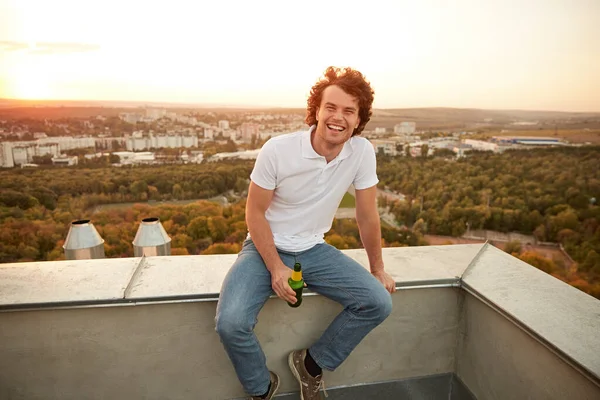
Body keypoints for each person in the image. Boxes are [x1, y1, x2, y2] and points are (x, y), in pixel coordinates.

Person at [215, 66, 396, 400]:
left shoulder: (362, 152)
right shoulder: (278, 150)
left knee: (377, 302)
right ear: (316, 110)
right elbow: (254, 214)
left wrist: (378, 269)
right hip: (263, 247)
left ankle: (311, 365)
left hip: (314, 248)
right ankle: (261, 387)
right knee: (231, 323)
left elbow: (367, 215)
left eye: (348, 111)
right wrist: (275, 267)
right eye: (331, 107)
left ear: (359, 120)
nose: (337, 117)